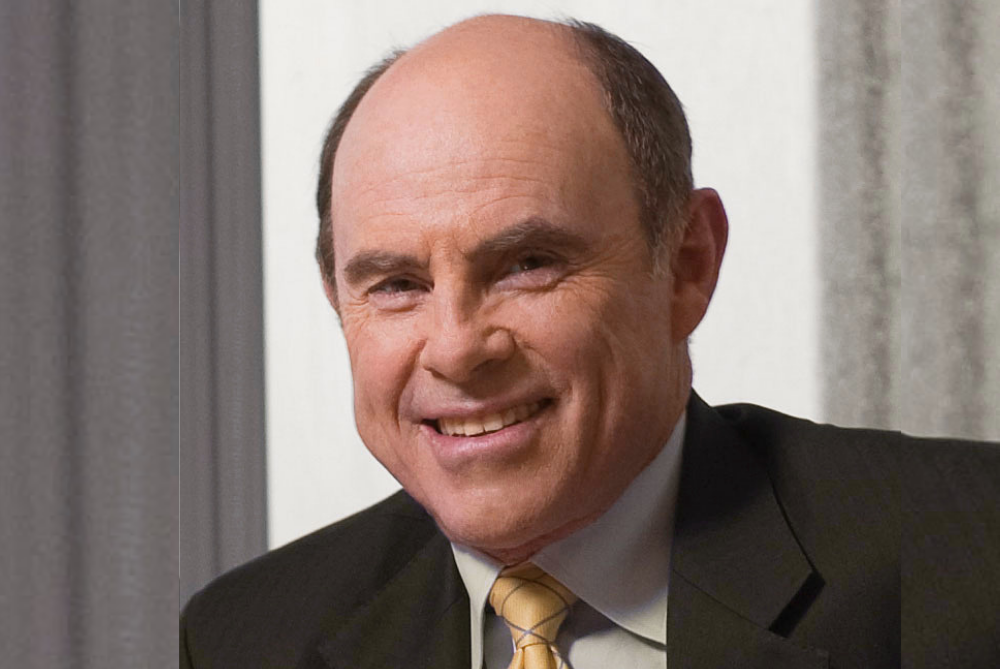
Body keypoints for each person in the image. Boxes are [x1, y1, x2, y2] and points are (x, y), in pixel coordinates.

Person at [180, 15, 999, 669]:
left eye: (528, 264)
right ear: (338, 302)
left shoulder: (971, 563)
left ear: (686, 265)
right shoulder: (248, 639)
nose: (458, 349)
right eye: (397, 284)